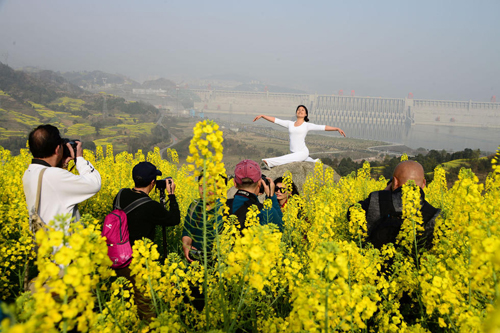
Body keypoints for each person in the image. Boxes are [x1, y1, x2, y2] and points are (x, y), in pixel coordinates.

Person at [113, 161, 180, 321]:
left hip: (118, 257)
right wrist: (171, 195)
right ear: (152, 183)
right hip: (139, 263)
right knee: (145, 305)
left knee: (127, 300)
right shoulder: (151, 206)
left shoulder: (121, 194)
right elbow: (174, 219)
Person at [23, 124, 101, 235]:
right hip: (61, 247)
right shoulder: (55, 176)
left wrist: (62, 165)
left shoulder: (29, 172)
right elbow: (95, 184)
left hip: (43, 244)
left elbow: (55, 193)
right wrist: (80, 159)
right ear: (57, 149)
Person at [350, 160, 441, 249]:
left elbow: (351, 212)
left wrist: (383, 193)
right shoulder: (434, 213)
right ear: (424, 184)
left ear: (395, 181)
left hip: (373, 261)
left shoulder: (376, 198)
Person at [253, 105, 346, 168]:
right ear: (296, 113)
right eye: (298, 110)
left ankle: (269, 162)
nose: (300, 111)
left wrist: (336, 128)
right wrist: (263, 116)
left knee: (287, 158)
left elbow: (323, 127)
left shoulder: (307, 125)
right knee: (311, 163)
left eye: (302, 110)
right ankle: (316, 162)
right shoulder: (290, 123)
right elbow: (276, 120)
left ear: (305, 114)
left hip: (302, 152)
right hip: (294, 152)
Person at [230, 159, 283, 231]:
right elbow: (282, 229)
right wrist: (271, 197)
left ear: (235, 183)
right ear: (259, 183)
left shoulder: (220, 206)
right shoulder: (266, 212)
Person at [182, 175, 224, 263]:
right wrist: (186, 245)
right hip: (195, 265)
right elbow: (187, 230)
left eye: (209, 186)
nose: (204, 190)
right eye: (201, 186)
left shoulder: (226, 209)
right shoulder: (194, 206)